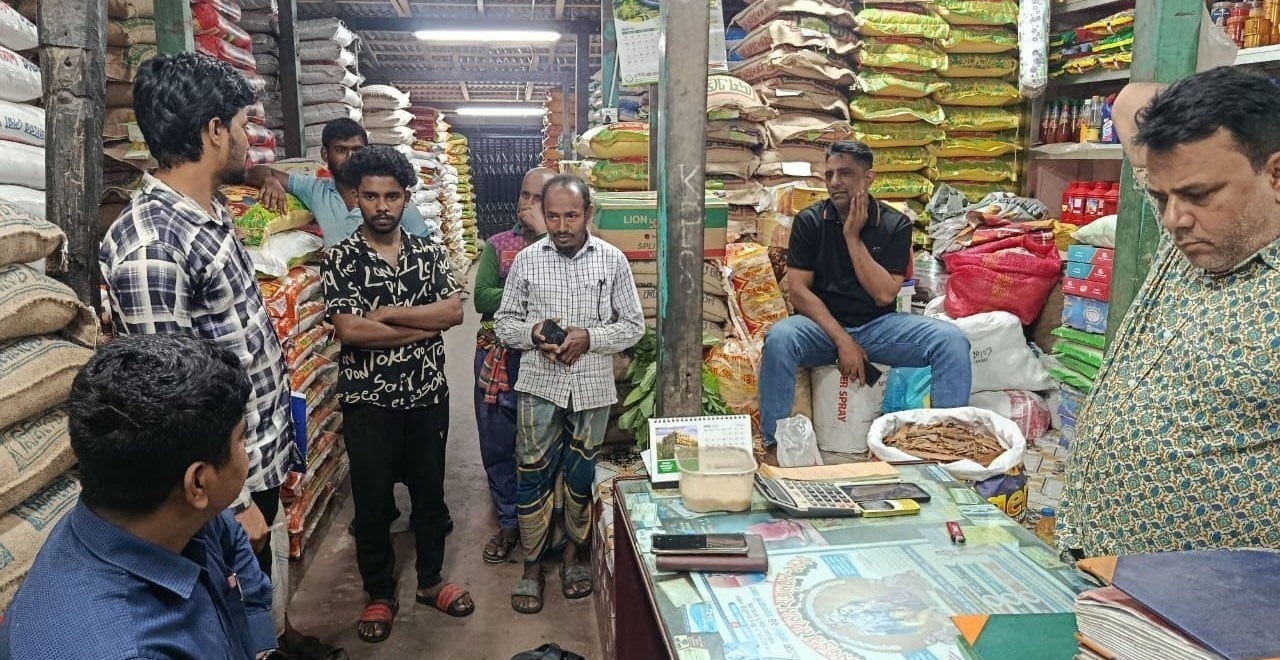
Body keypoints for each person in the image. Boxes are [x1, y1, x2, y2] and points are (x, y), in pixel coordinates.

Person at [98, 53, 341, 660]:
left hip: (252, 455)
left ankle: (277, 639)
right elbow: (172, 400)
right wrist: (231, 507)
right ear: (213, 131)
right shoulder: (153, 245)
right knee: (226, 605)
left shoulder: (210, 212)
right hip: (216, 482)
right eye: (240, 124)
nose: (246, 138)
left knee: (258, 590)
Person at [1058, 67, 1280, 557]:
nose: (1174, 219)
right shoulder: (1190, 237)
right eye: (1161, 197)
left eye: (1198, 195)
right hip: (1098, 556)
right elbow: (1129, 101)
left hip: (1208, 592)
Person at [0, 335, 280, 660]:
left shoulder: (150, 515)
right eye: (242, 438)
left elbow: (231, 537)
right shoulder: (127, 648)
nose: (246, 452)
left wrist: (259, 639)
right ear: (198, 482)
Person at [321, 145, 471, 643]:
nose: (381, 206)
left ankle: (431, 581)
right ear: (356, 198)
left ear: (406, 197)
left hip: (426, 396)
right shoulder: (340, 258)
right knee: (371, 502)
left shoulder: (428, 253)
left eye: (391, 196)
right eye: (370, 196)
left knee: (430, 495)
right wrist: (419, 326)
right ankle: (380, 593)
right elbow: (350, 331)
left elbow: (453, 313)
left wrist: (385, 315)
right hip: (369, 402)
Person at [758, 140, 971, 454]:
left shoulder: (895, 224)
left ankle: (946, 444)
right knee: (780, 338)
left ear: (868, 178)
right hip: (821, 329)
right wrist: (843, 341)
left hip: (877, 327)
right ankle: (774, 445)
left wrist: (852, 237)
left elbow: (884, 294)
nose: (834, 182)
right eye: (829, 174)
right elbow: (799, 292)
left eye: (845, 173)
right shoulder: (810, 221)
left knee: (951, 341)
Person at [494, 174, 645, 614]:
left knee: (579, 473)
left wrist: (589, 338)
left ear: (588, 214)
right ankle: (532, 565)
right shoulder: (527, 261)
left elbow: (633, 326)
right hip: (539, 383)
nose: (561, 226)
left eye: (571, 216)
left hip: (592, 386)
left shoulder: (612, 261)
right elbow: (504, 323)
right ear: (543, 215)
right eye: (553, 216)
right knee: (533, 471)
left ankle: (573, 557)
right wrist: (533, 332)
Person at [473, 166, 555, 564]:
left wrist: (542, 237)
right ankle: (508, 521)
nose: (528, 204)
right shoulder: (498, 244)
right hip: (498, 358)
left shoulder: (566, 248)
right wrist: (530, 294)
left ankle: (541, 524)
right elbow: (482, 298)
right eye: (525, 195)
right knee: (498, 443)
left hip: (545, 360)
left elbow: (564, 296)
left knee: (540, 446)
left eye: (539, 198)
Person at [246, 117, 433, 246]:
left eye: (357, 150)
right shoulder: (316, 190)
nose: (351, 157)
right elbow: (253, 172)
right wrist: (270, 179)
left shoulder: (392, 200)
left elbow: (426, 250)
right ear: (325, 154)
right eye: (341, 150)